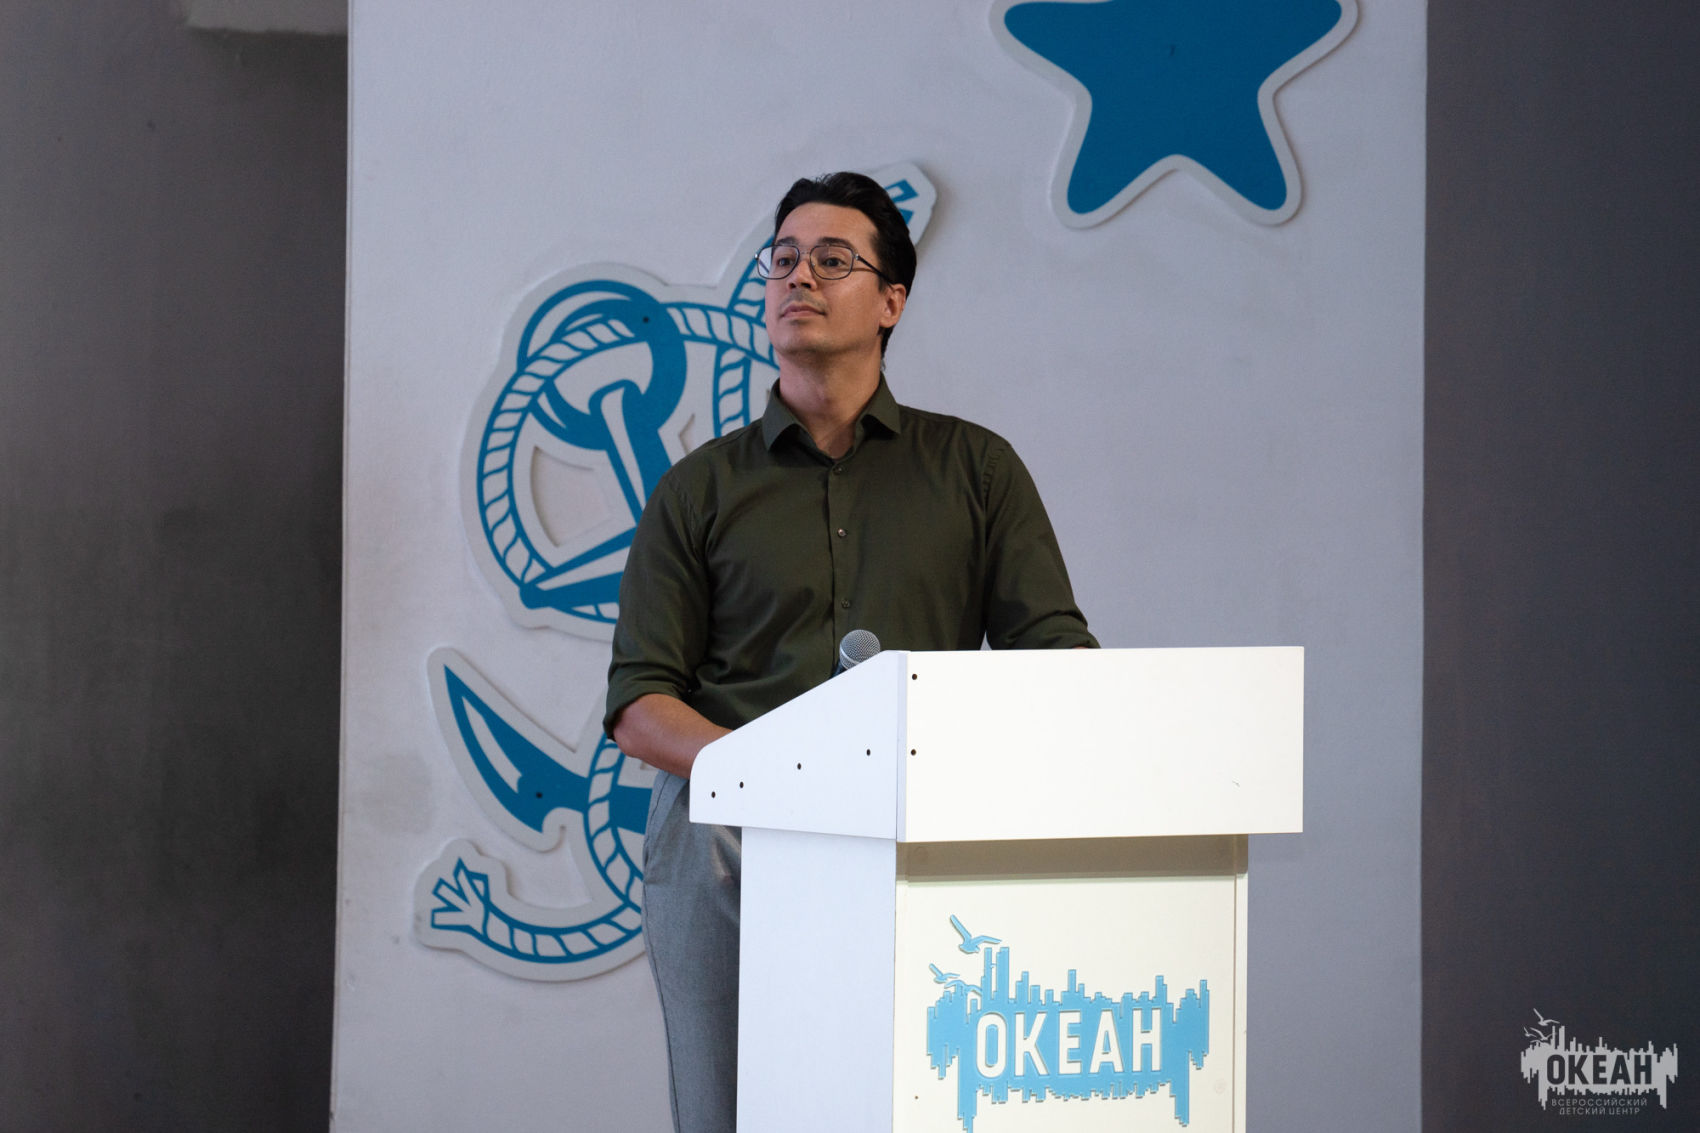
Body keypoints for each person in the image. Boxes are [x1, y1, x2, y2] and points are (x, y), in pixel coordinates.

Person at [603, 171, 1095, 1133]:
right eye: (784, 259)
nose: (799, 277)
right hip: (730, 827)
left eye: (833, 260)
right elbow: (640, 702)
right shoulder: (699, 489)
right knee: (729, 1107)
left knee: (908, 1103)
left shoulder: (975, 470)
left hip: (916, 816)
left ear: (892, 301)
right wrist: (768, 777)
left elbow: (1053, 654)